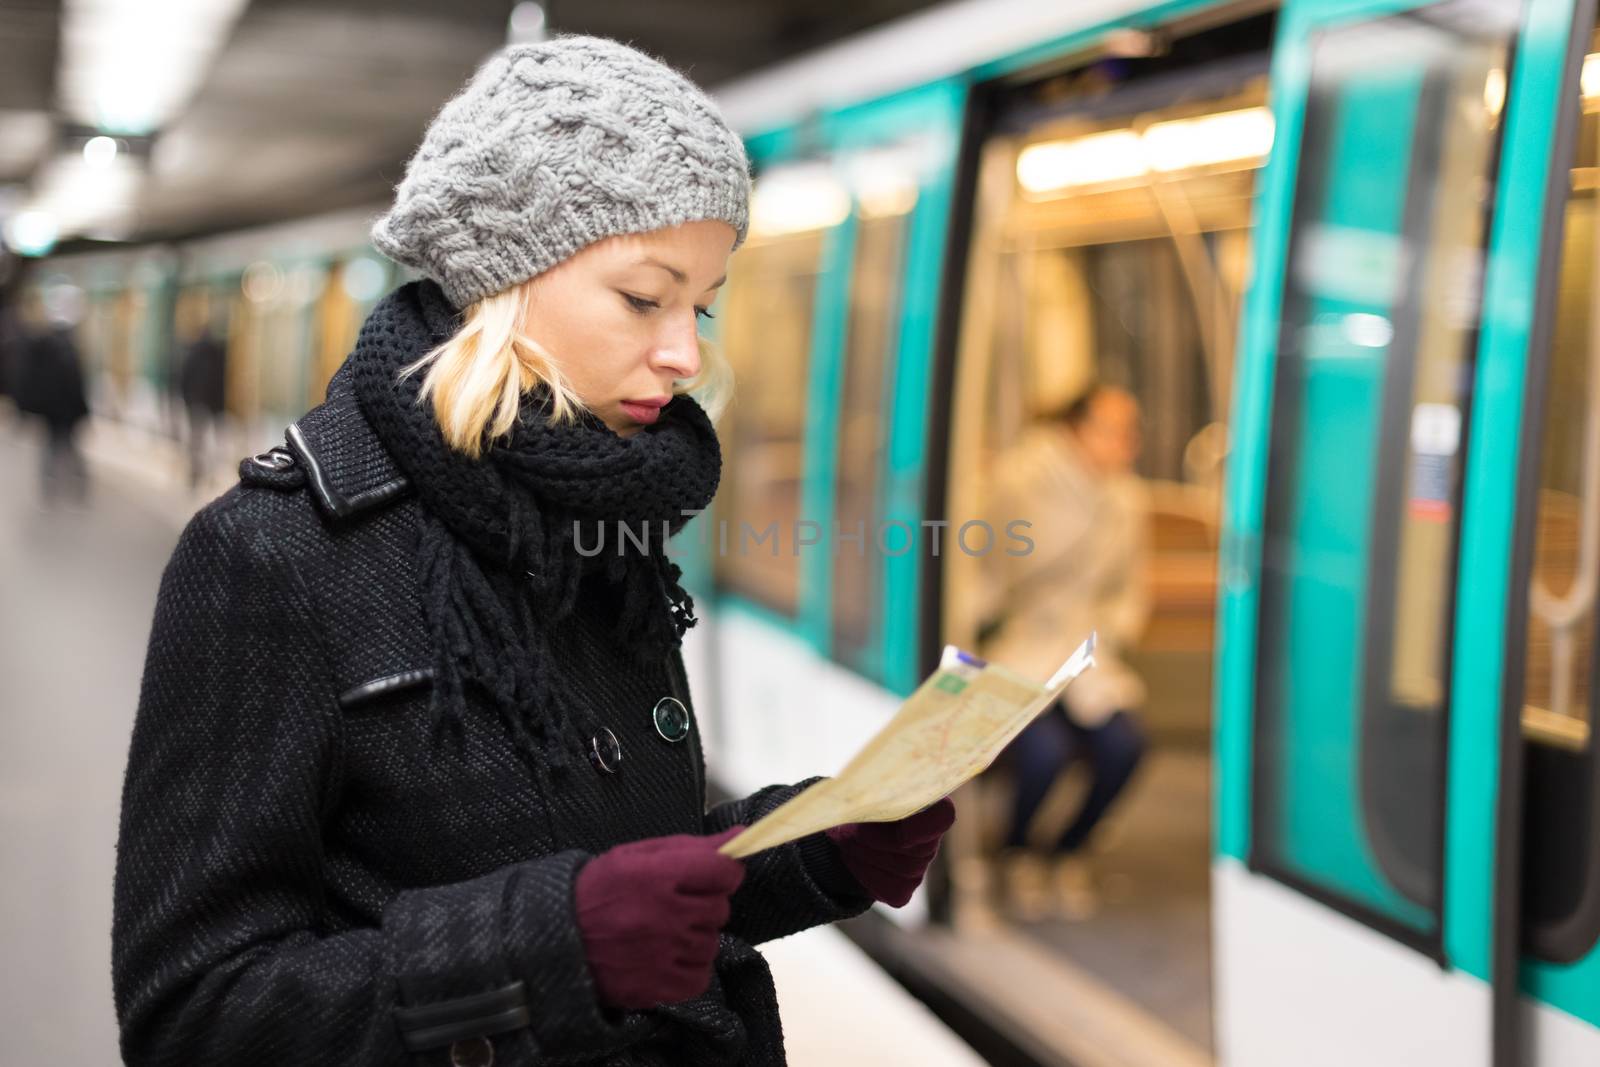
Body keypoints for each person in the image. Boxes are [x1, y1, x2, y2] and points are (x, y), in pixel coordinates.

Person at [110, 36, 954, 1067]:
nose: (686, 353)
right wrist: (556, 944)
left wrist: (806, 849)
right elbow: (194, 1011)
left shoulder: (596, 520)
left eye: (702, 304)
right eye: (645, 297)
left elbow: (612, 873)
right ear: (503, 275)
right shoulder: (271, 553)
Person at [978, 384, 1150, 920]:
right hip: (1021, 646)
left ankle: (1069, 850)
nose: (1125, 442)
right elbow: (982, 564)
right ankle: (1018, 850)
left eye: (1130, 431)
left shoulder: (1128, 498)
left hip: (1088, 656)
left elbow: (1131, 586)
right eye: (1112, 429)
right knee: (1043, 753)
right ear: (1076, 429)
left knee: (1126, 747)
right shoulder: (1021, 479)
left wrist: (1115, 631)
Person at [15, 310, 91, 506]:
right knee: (68, 446)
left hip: (51, 411)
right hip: (65, 412)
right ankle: (77, 483)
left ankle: (50, 485)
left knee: (51, 447)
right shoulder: (67, 351)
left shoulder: (44, 350)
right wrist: (83, 412)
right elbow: (76, 385)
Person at [178, 323, 228, 489]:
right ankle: (209, 472)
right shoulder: (220, 355)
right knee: (210, 440)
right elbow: (222, 383)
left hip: (196, 403)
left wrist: (187, 400)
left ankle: (197, 470)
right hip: (212, 405)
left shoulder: (194, 353)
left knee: (197, 439)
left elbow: (184, 378)